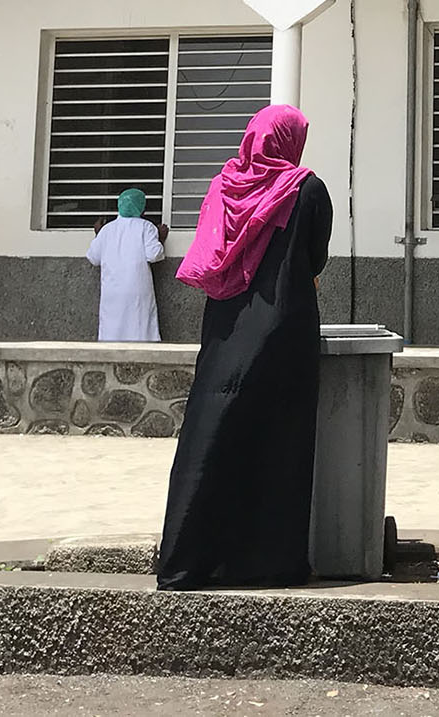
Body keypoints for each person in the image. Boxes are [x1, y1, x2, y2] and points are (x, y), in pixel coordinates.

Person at [156, 103, 332, 590]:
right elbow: (316, 257)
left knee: (211, 431)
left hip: (225, 328)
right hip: (284, 328)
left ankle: (188, 560)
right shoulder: (306, 188)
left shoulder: (223, 187)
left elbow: (210, 254)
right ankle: (267, 562)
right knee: (279, 441)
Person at [87, 187, 166, 342]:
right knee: (139, 329)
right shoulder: (146, 227)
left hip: (112, 291)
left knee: (112, 330)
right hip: (137, 290)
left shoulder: (107, 230)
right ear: (142, 209)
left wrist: (98, 235)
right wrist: (160, 238)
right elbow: (154, 254)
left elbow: (93, 257)